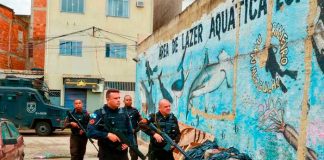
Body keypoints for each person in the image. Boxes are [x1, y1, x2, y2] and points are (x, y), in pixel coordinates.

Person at [87, 89, 133, 160]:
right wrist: (107, 135)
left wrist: (128, 142)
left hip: (122, 154)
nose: (118, 100)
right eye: (115, 98)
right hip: (106, 154)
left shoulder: (124, 113)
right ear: (108, 99)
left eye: (119, 98)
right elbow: (90, 132)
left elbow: (130, 132)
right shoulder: (98, 113)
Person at [123, 95, 142, 160]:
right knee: (122, 152)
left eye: (130, 100)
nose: (128, 101)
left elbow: (141, 123)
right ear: (124, 101)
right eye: (127, 100)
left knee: (134, 153)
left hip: (132, 135)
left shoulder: (135, 111)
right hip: (123, 134)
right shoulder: (120, 111)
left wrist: (135, 130)